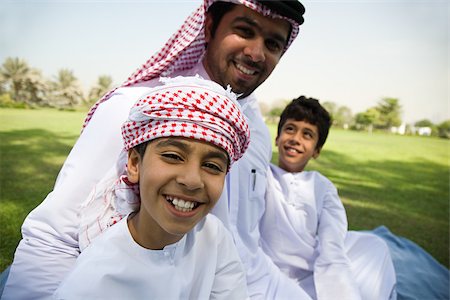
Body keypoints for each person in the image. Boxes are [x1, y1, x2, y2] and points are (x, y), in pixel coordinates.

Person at [2, 1, 312, 299]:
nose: (256, 53)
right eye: (244, 30)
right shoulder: (138, 110)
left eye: (273, 44)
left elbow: (247, 238)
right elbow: (54, 238)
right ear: (209, 26)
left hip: (243, 282)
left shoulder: (255, 129)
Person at [53, 76, 250, 299]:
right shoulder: (92, 282)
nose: (192, 180)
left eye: (212, 166)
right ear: (135, 164)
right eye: (173, 156)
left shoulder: (214, 236)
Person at [259, 96, 397, 300]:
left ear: (316, 150)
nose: (296, 138)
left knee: (375, 246)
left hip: (313, 271)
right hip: (268, 272)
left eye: (307, 134)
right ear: (277, 138)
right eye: (290, 129)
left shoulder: (321, 186)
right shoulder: (261, 174)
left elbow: (331, 243)